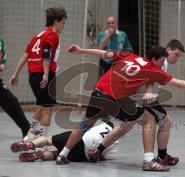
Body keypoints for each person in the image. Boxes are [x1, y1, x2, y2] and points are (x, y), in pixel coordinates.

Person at [56, 44, 185, 171]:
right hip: (116, 99)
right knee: (149, 120)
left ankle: (62, 155)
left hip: (98, 92)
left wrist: (81, 50)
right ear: (154, 59)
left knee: (86, 123)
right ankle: (148, 161)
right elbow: (179, 84)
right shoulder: (153, 70)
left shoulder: (129, 56)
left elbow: (105, 54)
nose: (162, 64)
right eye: (161, 61)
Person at [96, 39, 185, 167]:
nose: (177, 58)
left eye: (179, 56)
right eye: (176, 54)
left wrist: (149, 90)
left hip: (132, 97)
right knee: (166, 122)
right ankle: (162, 157)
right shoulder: (162, 62)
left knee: (125, 125)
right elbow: (152, 78)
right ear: (168, 50)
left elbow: (149, 79)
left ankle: (97, 151)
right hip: (140, 99)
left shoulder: (154, 61)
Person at [9, 7, 67, 141]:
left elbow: (26, 54)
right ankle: (41, 142)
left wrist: (15, 73)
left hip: (32, 76)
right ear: (56, 21)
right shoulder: (53, 35)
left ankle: (28, 137)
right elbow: (47, 53)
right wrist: (46, 74)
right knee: (48, 109)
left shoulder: (38, 35)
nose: (63, 26)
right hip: (44, 74)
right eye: (62, 23)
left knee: (45, 106)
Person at [10, 121, 117, 162]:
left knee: (49, 140)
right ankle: (40, 155)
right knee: (56, 154)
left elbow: (84, 127)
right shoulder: (115, 141)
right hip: (82, 156)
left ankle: (30, 144)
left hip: (80, 140)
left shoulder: (100, 125)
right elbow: (101, 156)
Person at [0, 36, 30, 137]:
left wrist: (2, 65)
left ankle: (27, 130)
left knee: (12, 102)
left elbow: (2, 59)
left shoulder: (0, 41)